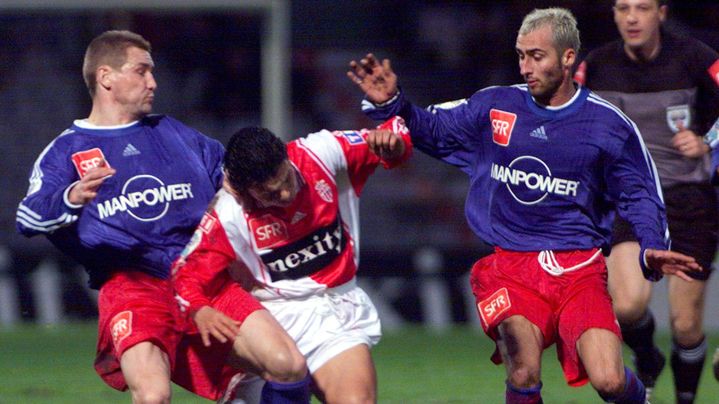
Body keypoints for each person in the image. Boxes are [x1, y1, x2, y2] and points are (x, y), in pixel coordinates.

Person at [347, 7, 702, 404]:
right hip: (510, 268)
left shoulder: (608, 125)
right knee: (523, 366)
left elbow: (640, 193)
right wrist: (394, 103)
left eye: (537, 56)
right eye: (521, 55)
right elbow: (434, 129)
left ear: (568, 58)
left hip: (580, 271)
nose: (525, 67)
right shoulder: (494, 106)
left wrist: (650, 245)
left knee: (611, 381)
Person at [15, 30, 311, 404]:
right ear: (106, 77)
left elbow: (236, 174)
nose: (153, 82)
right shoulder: (66, 151)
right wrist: (71, 196)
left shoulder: (175, 133)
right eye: (141, 71)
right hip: (133, 288)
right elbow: (28, 217)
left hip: (202, 280)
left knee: (289, 364)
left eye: (152, 72)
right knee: (153, 395)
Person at [172, 116, 412, 404]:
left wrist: (394, 145)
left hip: (334, 310)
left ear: (287, 156)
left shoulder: (321, 152)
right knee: (281, 372)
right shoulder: (228, 211)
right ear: (245, 189)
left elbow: (394, 135)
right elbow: (186, 274)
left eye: (285, 179)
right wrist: (199, 309)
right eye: (269, 193)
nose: (284, 194)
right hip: (268, 318)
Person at [574, 1, 719, 402]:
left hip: (688, 199)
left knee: (686, 324)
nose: (632, 17)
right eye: (623, 8)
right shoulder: (597, 65)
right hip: (628, 200)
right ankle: (646, 354)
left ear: (662, 13)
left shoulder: (694, 57)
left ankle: (684, 399)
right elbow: (566, 115)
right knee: (627, 307)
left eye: (642, 7)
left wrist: (707, 140)